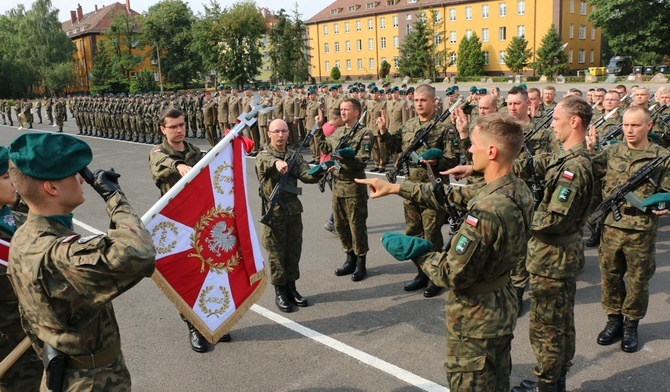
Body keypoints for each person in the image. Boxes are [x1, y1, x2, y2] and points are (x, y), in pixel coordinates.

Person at [357, 112, 533, 391]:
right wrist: (396, 188)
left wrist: (419, 250)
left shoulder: (486, 210)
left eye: (474, 144)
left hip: (476, 317)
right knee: (497, 377)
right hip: (502, 300)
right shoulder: (517, 188)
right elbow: (451, 196)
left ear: (491, 151)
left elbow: (451, 274)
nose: (470, 150)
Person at [7, 133, 156, 391]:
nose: (81, 179)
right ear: (51, 188)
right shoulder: (60, 254)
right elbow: (138, 253)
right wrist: (114, 197)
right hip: (91, 381)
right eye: (74, 173)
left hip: (59, 370)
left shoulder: (22, 234)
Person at [587, 106, 670, 354]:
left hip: (641, 229)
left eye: (635, 125)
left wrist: (665, 205)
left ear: (649, 126)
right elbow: (591, 172)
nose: (629, 130)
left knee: (637, 281)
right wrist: (590, 151)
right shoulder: (611, 152)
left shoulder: (662, 157)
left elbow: (668, 190)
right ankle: (614, 320)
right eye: (626, 125)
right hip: (611, 227)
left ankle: (631, 324)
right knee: (610, 277)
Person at [148, 107, 231, 352]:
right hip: (176, 228)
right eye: (173, 126)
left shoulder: (194, 150)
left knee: (211, 274)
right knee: (187, 279)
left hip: (200, 222)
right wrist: (178, 166)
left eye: (182, 125)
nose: (179, 129)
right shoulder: (158, 152)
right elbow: (161, 165)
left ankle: (213, 323)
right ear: (163, 129)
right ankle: (194, 327)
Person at [378, 84, 461, 297]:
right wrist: (384, 132)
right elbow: (396, 146)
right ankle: (421, 273)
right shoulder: (409, 125)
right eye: (416, 100)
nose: (419, 104)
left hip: (433, 189)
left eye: (423, 100)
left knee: (432, 234)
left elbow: (454, 159)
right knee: (413, 232)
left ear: (434, 102)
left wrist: (438, 161)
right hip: (410, 189)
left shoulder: (444, 128)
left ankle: (436, 276)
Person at [256, 119, 327, 312]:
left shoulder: (293, 156)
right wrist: (277, 162)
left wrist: (323, 169)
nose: (280, 135)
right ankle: (280, 292)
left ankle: (292, 288)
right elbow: (264, 163)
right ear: (268, 134)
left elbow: (307, 175)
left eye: (283, 131)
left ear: (288, 133)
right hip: (273, 215)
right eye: (276, 131)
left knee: (293, 251)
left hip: (293, 212)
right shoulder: (264, 155)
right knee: (276, 255)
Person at [0, 146, 43, 392]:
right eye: (6, 178)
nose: (13, 182)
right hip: (9, 355)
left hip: (37, 344)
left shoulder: (18, 219)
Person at [320, 98, 373, 281]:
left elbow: (363, 160)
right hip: (337, 185)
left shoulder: (364, 132)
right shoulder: (338, 132)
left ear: (356, 112)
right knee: (341, 226)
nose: (343, 112)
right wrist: (321, 131)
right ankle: (349, 258)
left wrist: (346, 159)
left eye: (347, 109)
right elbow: (325, 147)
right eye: (341, 109)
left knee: (356, 226)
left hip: (353, 185)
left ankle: (361, 263)